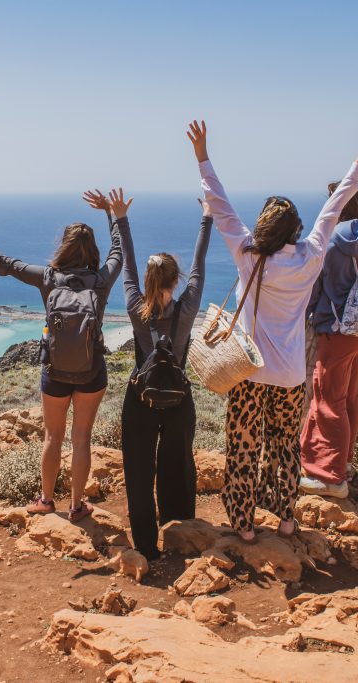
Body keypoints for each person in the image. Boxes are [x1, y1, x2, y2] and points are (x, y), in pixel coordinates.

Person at [188, 119, 358, 543]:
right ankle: (284, 519)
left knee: (243, 450)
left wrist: (202, 155)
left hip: (249, 374)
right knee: (283, 448)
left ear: (263, 228)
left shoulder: (248, 255)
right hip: (291, 378)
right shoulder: (310, 256)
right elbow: (334, 207)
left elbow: (220, 206)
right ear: (295, 229)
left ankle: (243, 525)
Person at [0, 202, 122, 522]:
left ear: (63, 247)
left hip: (55, 371)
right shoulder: (101, 281)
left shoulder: (48, 278)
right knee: (81, 437)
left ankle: (47, 501)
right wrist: (115, 215)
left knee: (52, 437)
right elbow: (119, 252)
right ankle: (77, 507)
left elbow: (6, 263)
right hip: (92, 372)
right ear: (91, 250)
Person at [93, 186, 211, 560]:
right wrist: (207, 217)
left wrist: (117, 217)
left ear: (147, 282)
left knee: (139, 470)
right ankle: (178, 534)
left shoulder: (133, 304)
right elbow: (200, 263)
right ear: (175, 282)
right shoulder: (188, 306)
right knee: (178, 465)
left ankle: (146, 544)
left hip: (140, 398)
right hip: (179, 398)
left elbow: (125, 261)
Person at [299, 183, 358, 498]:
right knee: (349, 396)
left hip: (336, 331)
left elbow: (314, 288)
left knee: (327, 401)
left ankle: (330, 477)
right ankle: (345, 462)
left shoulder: (327, 243)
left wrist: (308, 317)